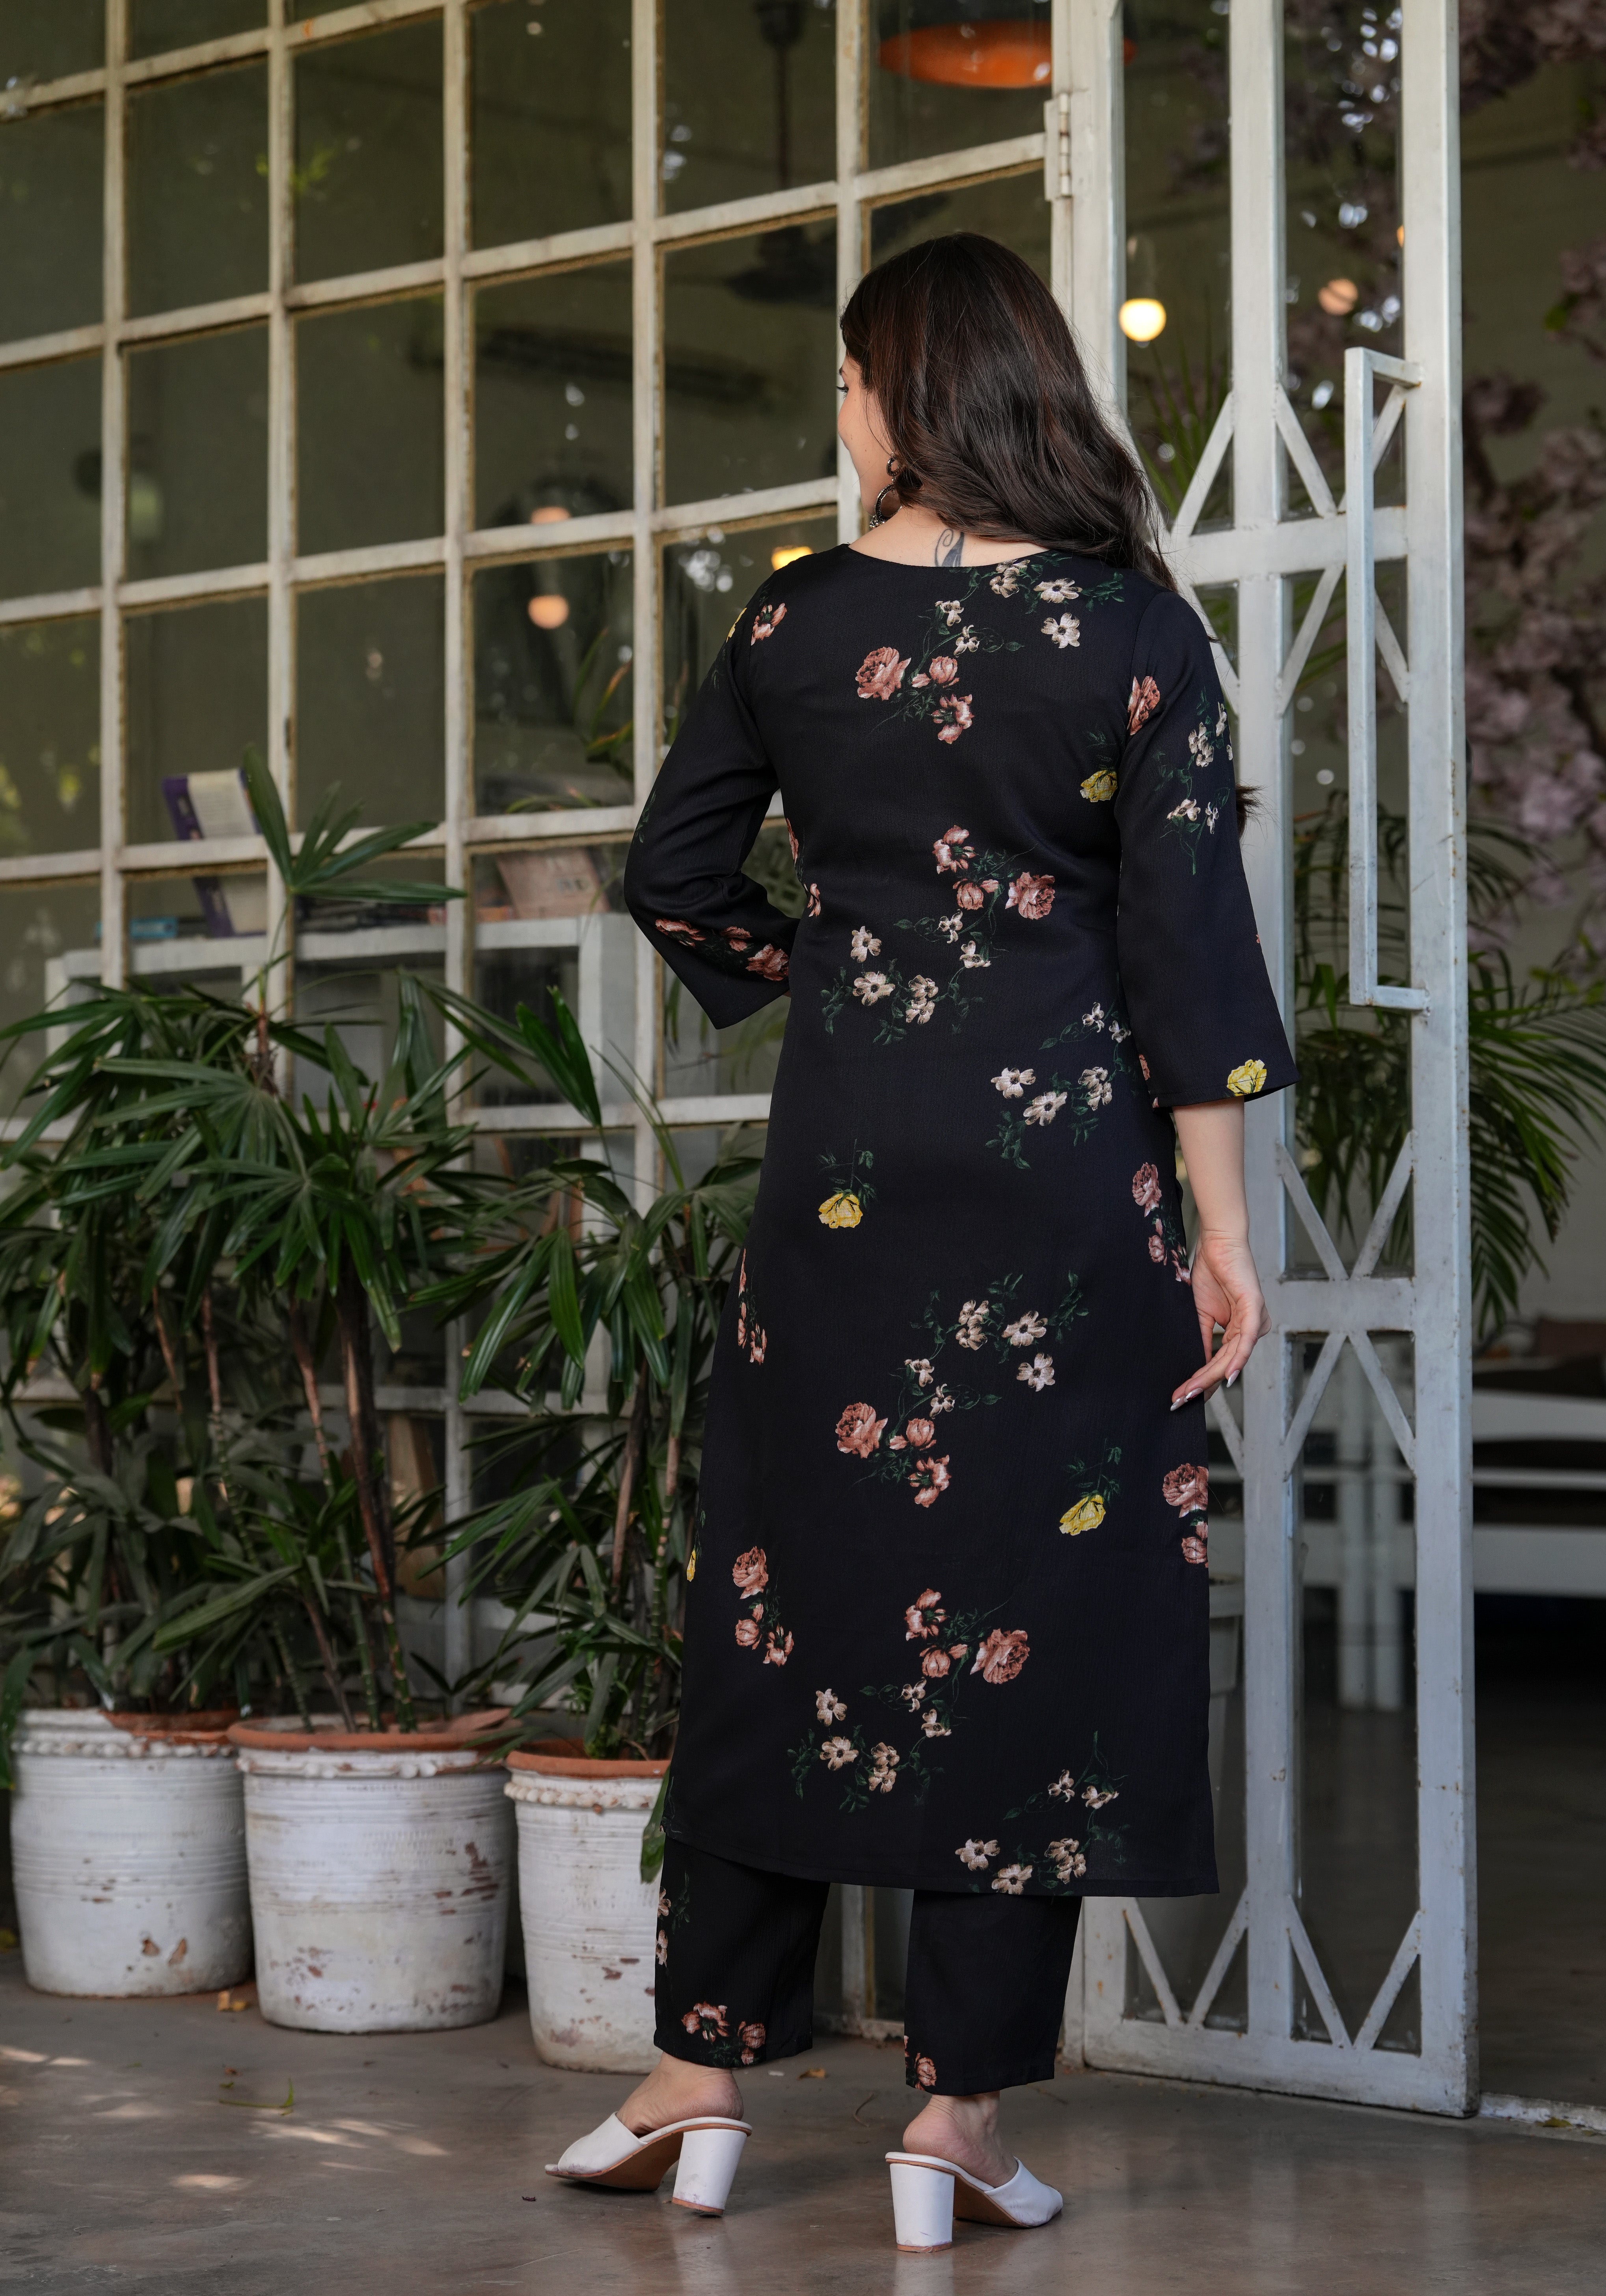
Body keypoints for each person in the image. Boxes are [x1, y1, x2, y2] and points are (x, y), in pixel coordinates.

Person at [550, 232, 1295, 2252]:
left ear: (907, 389)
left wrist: (853, 973)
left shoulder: (793, 620)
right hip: (1068, 1196)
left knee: (787, 1594)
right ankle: (949, 2117)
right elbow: (1188, 963)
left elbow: (668, 871)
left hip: (849, 1179)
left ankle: (699, 2069)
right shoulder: (1134, 632)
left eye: (854, 377)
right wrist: (1222, 1237)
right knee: (1027, 1633)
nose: (841, 410)